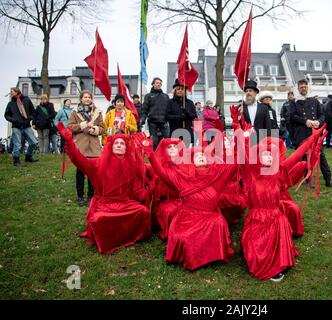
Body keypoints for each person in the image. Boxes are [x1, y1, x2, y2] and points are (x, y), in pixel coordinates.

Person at [240, 127, 327, 281]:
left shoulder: (278, 173)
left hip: (274, 216)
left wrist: (312, 139)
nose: (269, 157)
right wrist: (244, 136)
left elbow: (297, 155)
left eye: (270, 154)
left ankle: (278, 262)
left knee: (281, 223)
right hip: (257, 218)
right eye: (264, 154)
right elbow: (244, 156)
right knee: (258, 247)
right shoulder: (251, 175)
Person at [140, 136, 236, 272]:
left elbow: (232, 166)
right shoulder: (181, 178)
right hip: (187, 218)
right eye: (196, 156)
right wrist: (149, 152)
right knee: (185, 237)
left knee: (218, 222)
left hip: (210, 216)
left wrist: (230, 149)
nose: (201, 156)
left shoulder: (216, 177)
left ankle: (213, 255)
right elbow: (161, 173)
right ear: (189, 161)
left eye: (203, 154)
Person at [58, 124, 150, 254]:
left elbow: (149, 169)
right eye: (116, 143)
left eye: (122, 143)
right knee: (100, 218)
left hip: (125, 203)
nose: (118, 145)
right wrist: (69, 142)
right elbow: (80, 160)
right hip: (105, 204)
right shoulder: (98, 163)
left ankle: (130, 237)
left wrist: (147, 149)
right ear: (111, 147)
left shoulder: (132, 165)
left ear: (126, 148)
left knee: (143, 211)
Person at [290, 79, 332, 188]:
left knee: (321, 156)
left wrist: (319, 122)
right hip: (302, 133)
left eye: (305, 86)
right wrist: (305, 121)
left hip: (315, 133)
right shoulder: (294, 102)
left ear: (308, 87)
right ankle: (308, 179)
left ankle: (328, 179)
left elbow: (322, 115)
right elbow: (292, 117)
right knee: (305, 158)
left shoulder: (315, 101)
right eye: (301, 86)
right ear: (298, 88)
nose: (303, 88)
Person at [67, 90, 104, 206]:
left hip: (93, 147)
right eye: (85, 97)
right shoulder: (74, 112)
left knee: (92, 174)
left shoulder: (97, 112)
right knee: (80, 173)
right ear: (81, 99)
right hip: (81, 147)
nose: (87, 99)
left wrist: (95, 130)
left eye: (89, 97)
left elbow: (102, 128)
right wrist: (83, 125)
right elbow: (70, 127)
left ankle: (91, 196)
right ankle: (80, 196)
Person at [4, 87, 39, 166]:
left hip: (26, 126)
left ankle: (28, 157)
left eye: (12, 91)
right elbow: (6, 115)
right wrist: (13, 120)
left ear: (17, 92)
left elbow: (33, 111)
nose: (11, 93)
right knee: (18, 144)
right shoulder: (10, 103)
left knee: (33, 142)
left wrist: (29, 118)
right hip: (16, 127)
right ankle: (16, 161)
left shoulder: (26, 100)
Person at [141, 77, 170, 150]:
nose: (159, 84)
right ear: (153, 84)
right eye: (157, 83)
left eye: (160, 83)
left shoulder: (166, 96)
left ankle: (167, 156)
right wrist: (143, 119)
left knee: (168, 140)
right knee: (154, 141)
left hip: (164, 121)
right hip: (152, 121)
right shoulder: (148, 96)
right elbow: (145, 109)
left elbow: (169, 109)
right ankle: (154, 157)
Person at [167, 79, 197, 145]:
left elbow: (194, 116)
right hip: (175, 130)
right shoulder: (170, 102)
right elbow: (167, 116)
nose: (180, 90)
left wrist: (187, 112)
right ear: (175, 91)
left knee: (185, 152)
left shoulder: (190, 102)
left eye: (182, 89)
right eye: (178, 89)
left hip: (187, 130)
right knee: (175, 151)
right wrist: (179, 117)